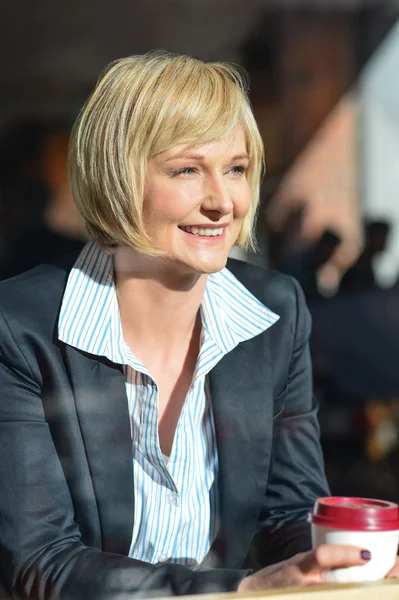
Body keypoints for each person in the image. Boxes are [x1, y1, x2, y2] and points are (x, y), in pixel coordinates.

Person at [0, 51, 397, 600]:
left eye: (235, 169)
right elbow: (41, 562)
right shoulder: (20, 327)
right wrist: (240, 589)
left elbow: (287, 513)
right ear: (117, 175)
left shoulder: (275, 314)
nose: (222, 201)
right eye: (187, 169)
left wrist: (344, 559)